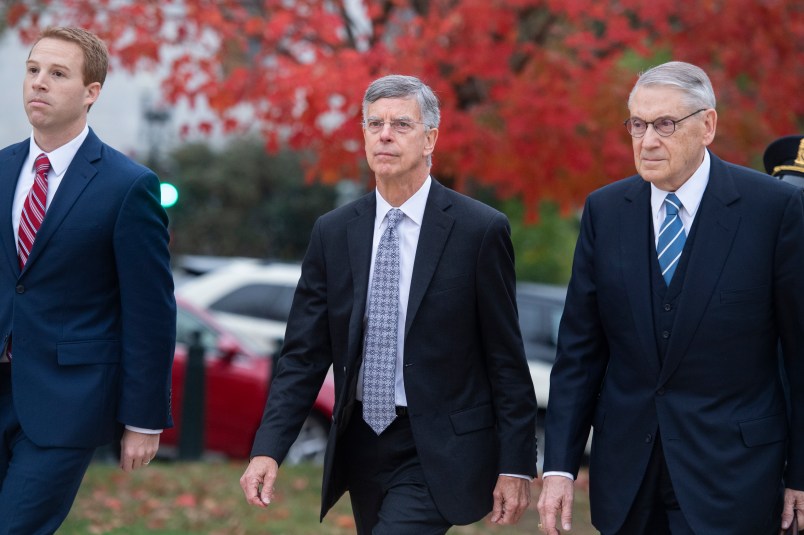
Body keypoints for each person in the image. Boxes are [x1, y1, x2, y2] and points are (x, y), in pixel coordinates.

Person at [240, 74, 537, 533]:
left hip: (438, 445)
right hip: (360, 441)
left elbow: (505, 357)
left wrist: (515, 464)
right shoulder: (334, 233)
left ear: (430, 139)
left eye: (401, 124)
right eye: (374, 123)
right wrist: (268, 448)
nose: (384, 134)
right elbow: (303, 354)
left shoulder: (479, 231)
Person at [537, 61, 804, 535]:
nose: (648, 140)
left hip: (734, 479)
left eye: (664, 124)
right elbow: (579, 353)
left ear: (708, 125)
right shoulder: (605, 211)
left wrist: (801, 474)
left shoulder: (775, 209)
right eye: (637, 125)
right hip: (627, 479)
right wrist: (558, 467)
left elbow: (801, 355)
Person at [0, 27, 176, 533]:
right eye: (33, 70)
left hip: (64, 402)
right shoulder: (4, 168)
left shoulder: (128, 186)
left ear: (91, 92)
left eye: (58, 74)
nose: (39, 83)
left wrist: (143, 419)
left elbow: (150, 311)